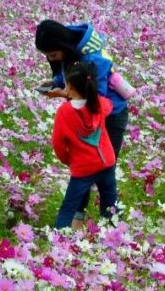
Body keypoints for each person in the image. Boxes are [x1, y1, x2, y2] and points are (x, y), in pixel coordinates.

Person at [34, 20, 130, 225]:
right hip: (90, 110)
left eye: (52, 55)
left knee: (102, 168)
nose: (51, 59)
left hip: (110, 115)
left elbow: (98, 98)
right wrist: (57, 81)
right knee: (90, 166)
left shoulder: (94, 60)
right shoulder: (73, 50)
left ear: (64, 46)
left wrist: (66, 94)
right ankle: (92, 221)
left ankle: (109, 222)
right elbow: (73, 74)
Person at [50, 61, 118, 230]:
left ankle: (60, 239)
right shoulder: (99, 103)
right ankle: (111, 235)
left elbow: (58, 144)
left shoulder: (64, 112)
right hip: (106, 162)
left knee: (69, 206)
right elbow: (109, 106)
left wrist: (69, 160)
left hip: (83, 168)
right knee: (110, 203)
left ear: (70, 87)